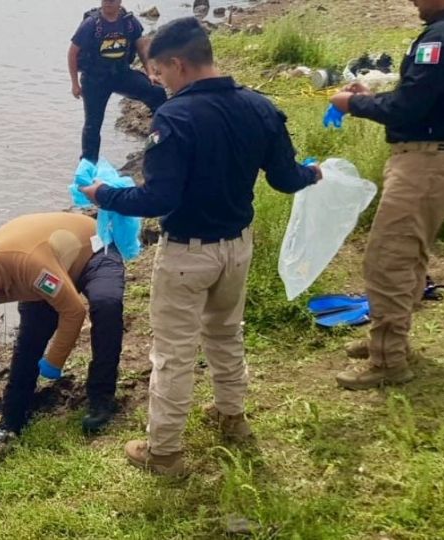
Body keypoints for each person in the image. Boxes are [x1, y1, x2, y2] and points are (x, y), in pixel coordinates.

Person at [80, 18, 320, 476]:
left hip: (188, 254)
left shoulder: (175, 117)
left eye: (159, 72)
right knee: (227, 333)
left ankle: (165, 451)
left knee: (173, 351)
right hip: (237, 248)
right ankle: (233, 417)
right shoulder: (259, 106)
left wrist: (104, 196)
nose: (157, 82)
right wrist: (314, 173)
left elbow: (159, 198)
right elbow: (287, 178)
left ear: (178, 63)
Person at [328, 0, 444, 390]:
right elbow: (428, 95)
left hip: (427, 163)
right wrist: (370, 95)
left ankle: (389, 360)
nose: (413, 1)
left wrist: (355, 104)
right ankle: (389, 338)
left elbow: (408, 108)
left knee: (387, 259)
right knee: (409, 252)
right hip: (439, 159)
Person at [0, 212, 125, 440]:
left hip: (93, 250)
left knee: (106, 305)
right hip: (53, 266)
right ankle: (12, 420)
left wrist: (54, 360)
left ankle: (101, 400)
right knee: (29, 340)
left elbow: (74, 311)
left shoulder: (30, 266)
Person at [69, 0, 167, 163]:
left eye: (112, 0)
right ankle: (88, 164)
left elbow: (142, 47)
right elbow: (72, 53)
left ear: (120, 1)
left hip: (121, 74)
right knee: (93, 124)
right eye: (105, 0)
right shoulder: (91, 24)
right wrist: (74, 84)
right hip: (95, 79)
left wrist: (150, 73)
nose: (108, 3)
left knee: (157, 93)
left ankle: (162, 142)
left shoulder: (129, 22)